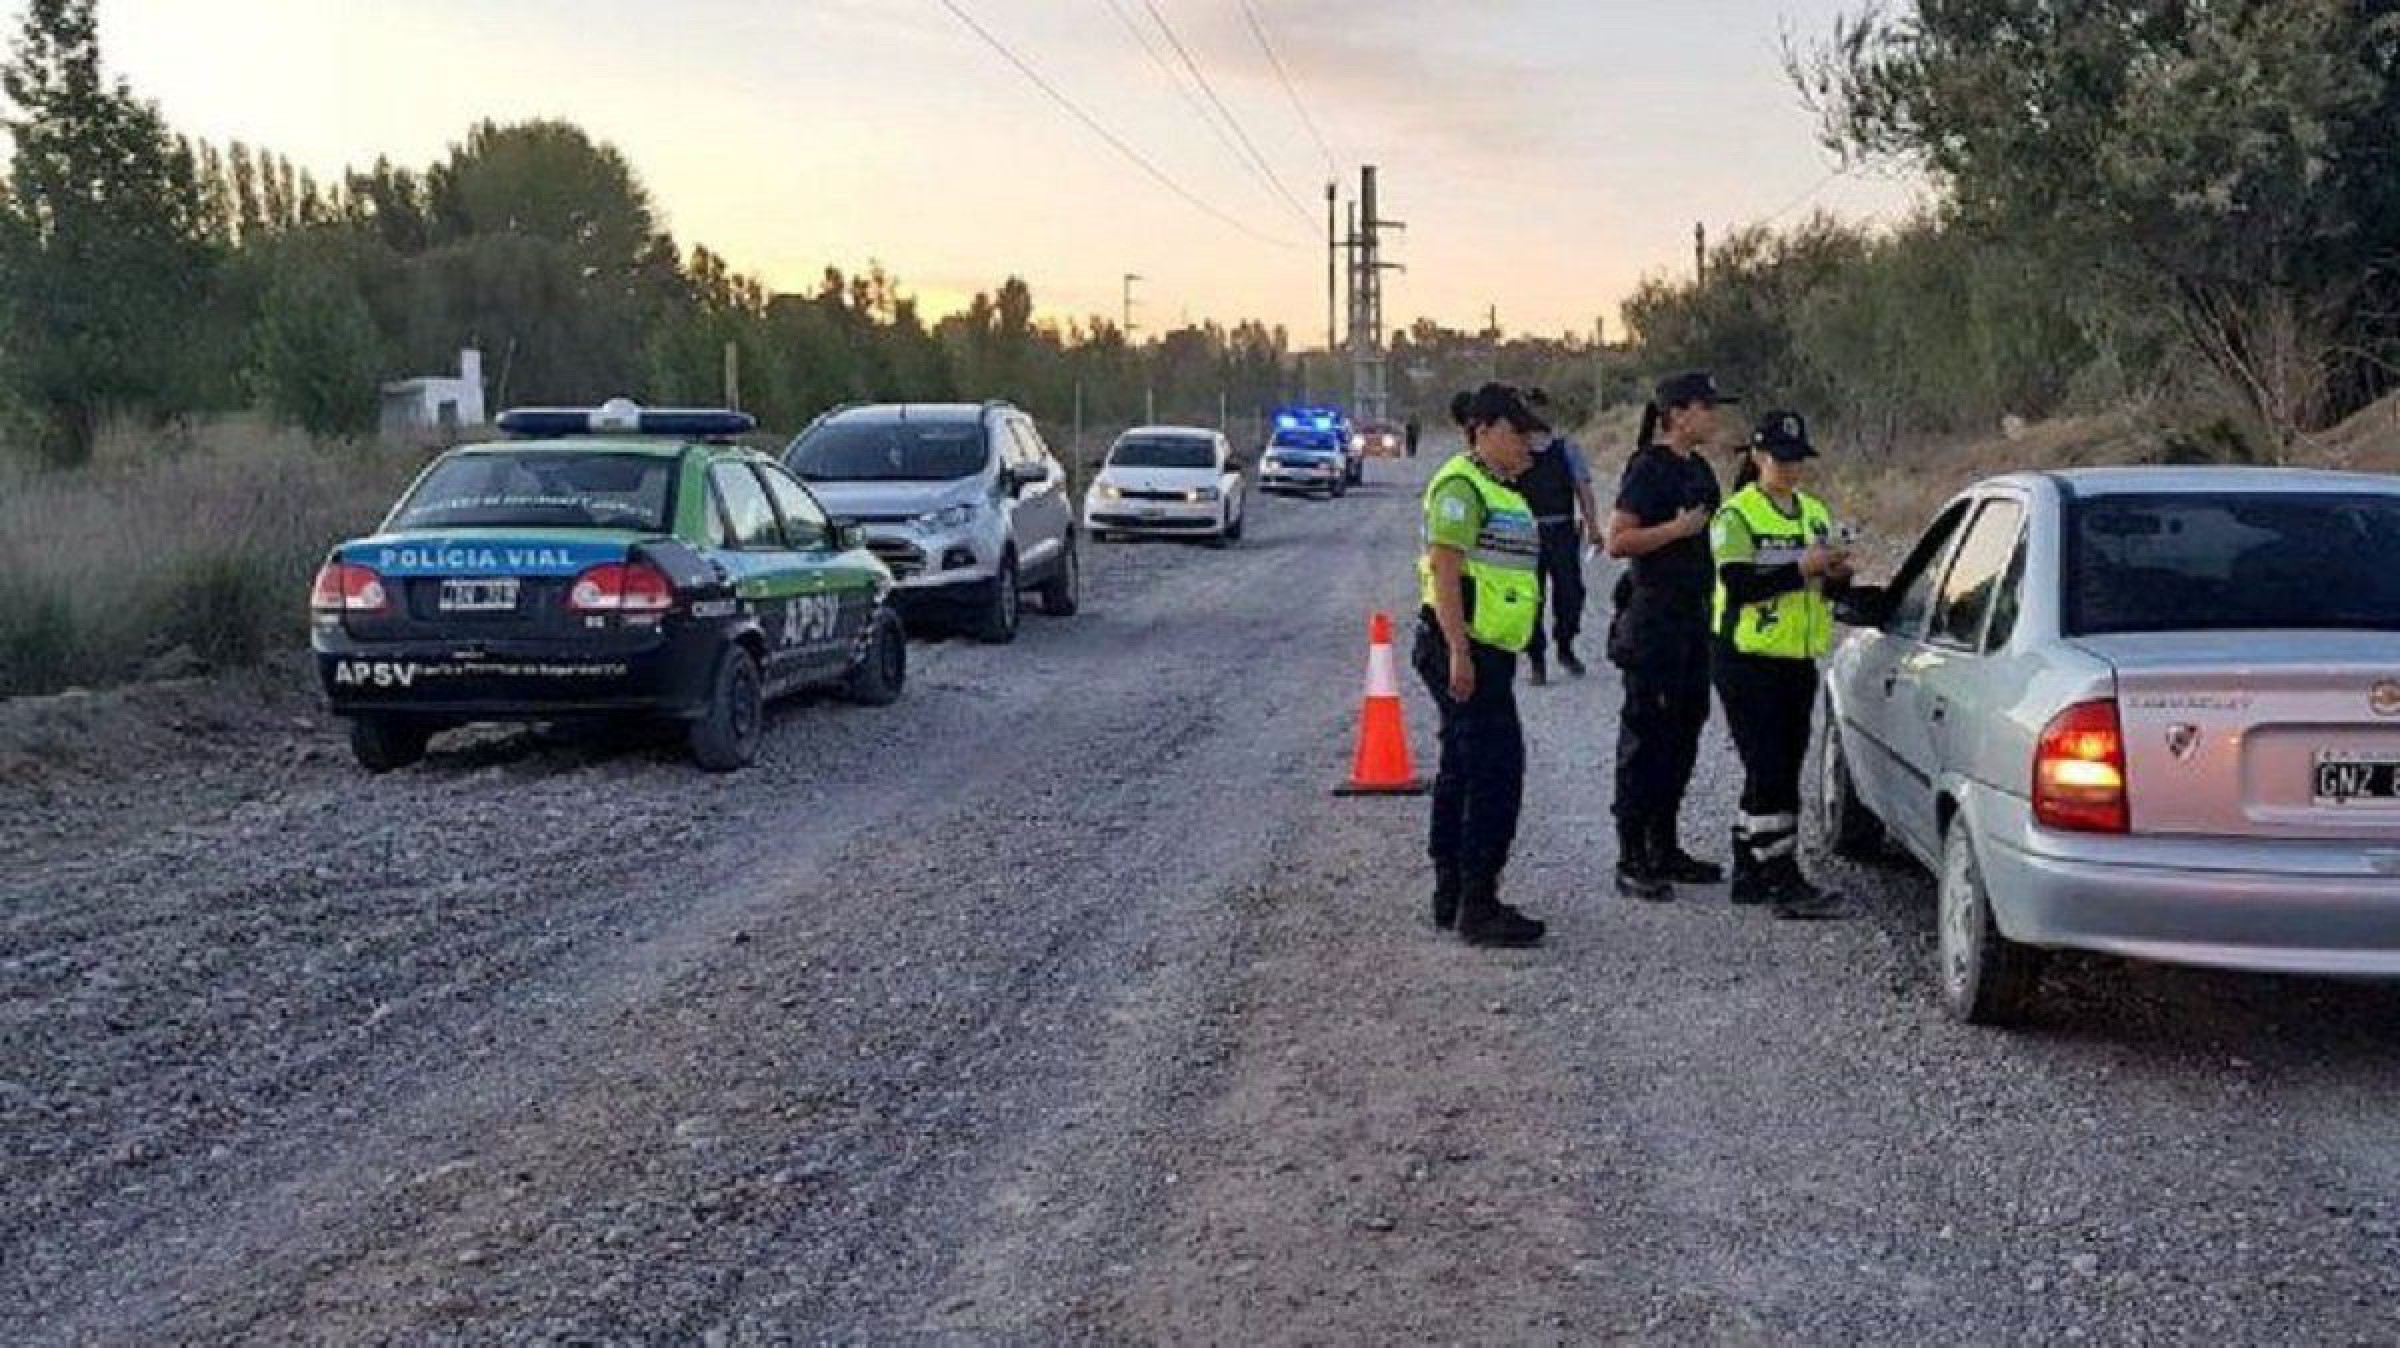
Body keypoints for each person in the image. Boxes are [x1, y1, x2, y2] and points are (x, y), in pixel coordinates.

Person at [1415, 383, 1550, 948]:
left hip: (1485, 652)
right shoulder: (1460, 486)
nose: (1527, 444)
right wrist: (1459, 653)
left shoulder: (1501, 490)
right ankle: (1478, 903)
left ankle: (1454, 895)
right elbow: (1446, 570)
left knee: (1463, 770)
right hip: (1465, 650)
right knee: (1495, 774)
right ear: (1485, 428)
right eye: (1517, 432)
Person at [1709, 410, 1853, 919]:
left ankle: (1750, 867)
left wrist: (1836, 574)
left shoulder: (1813, 512)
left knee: (1781, 764)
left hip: (1797, 656)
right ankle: (1781, 877)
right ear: (1757, 457)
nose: (1791, 469)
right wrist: (1800, 569)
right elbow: (1740, 585)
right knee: (1769, 768)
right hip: (1748, 658)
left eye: (1797, 460)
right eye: (1780, 459)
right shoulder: (1736, 516)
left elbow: (1825, 586)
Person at [1604, 371, 1735, 902]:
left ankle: (1666, 845)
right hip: (1654, 623)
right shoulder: (1648, 469)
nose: (1713, 416)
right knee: (1647, 739)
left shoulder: (1699, 469)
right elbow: (1619, 540)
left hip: (1693, 623)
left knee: (1683, 734)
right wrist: (1674, 533)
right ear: (1678, 413)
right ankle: (1632, 854)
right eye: (1705, 407)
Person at [1516, 389, 1604, 685]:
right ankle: (1536, 659)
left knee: (1570, 593)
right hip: (1526, 534)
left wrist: (1593, 527)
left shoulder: (1565, 448)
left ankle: (1565, 646)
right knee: (1530, 600)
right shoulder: (1514, 450)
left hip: (1562, 530)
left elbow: (1583, 488)